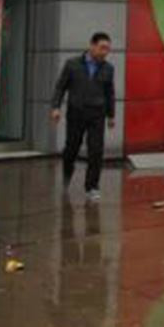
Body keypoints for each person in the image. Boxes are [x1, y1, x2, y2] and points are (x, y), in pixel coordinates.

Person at [51, 32, 116, 201]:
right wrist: (56, 107)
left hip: (97, 114)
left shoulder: (108, 69)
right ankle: (67, 175)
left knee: (96, 150)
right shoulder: (72, 64)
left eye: (107, 49)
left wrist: (111, 115)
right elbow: (60, 87)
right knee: (71, 149)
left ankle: (92, 187)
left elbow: (110, 93)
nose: (105, 52)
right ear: (92, 46)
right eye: (102, 48)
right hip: (76, 113)